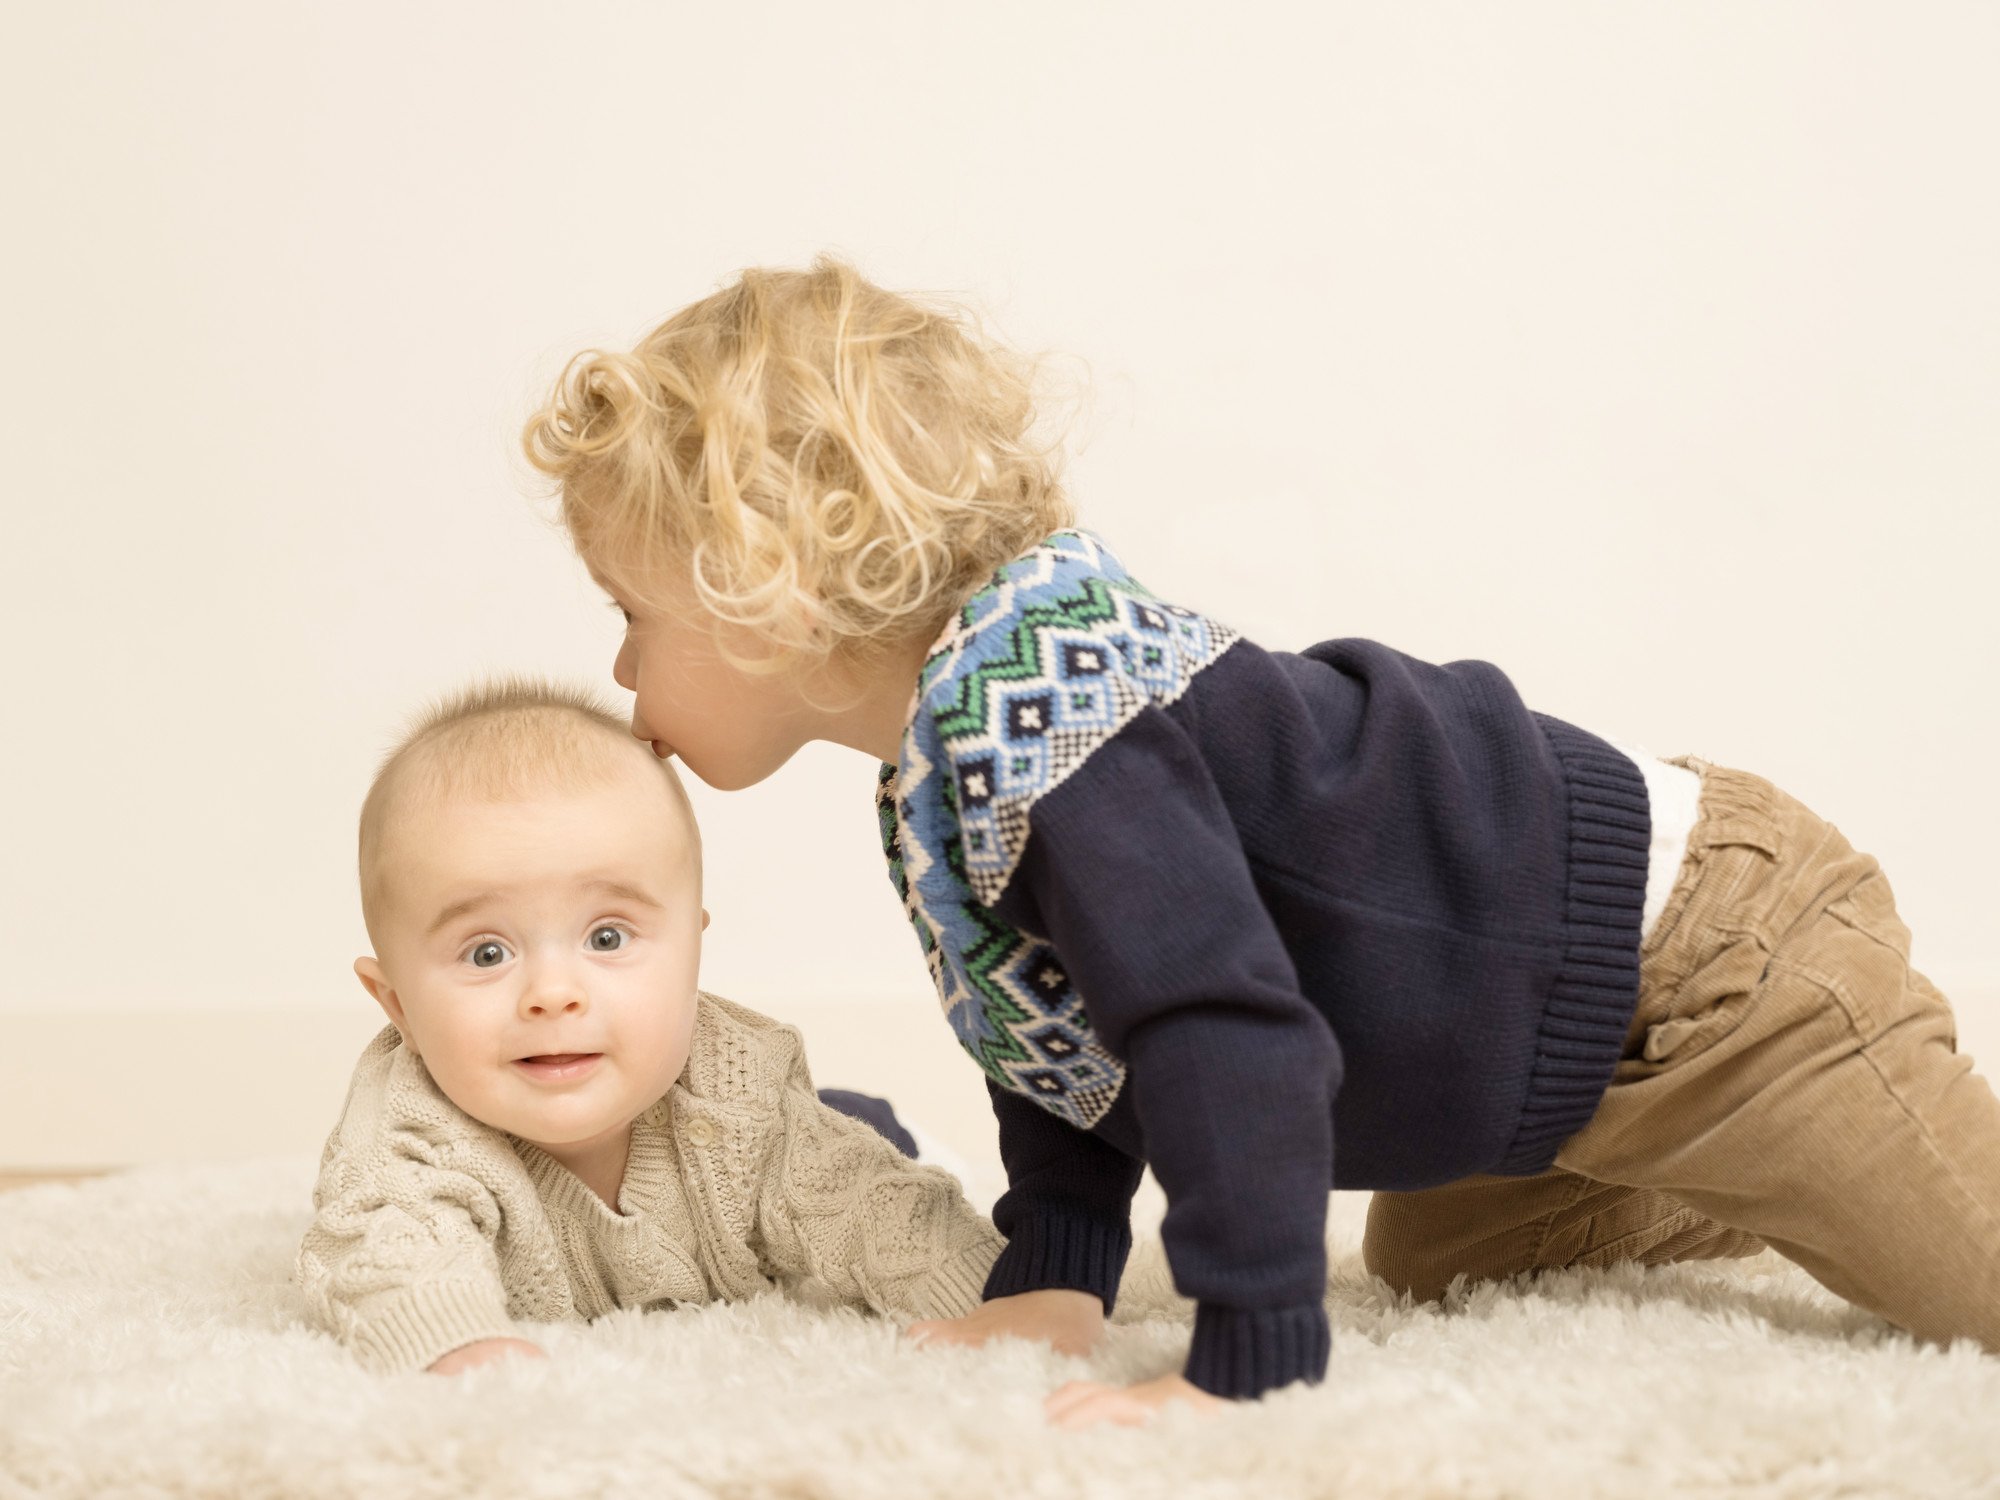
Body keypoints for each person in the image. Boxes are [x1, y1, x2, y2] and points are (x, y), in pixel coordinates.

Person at [518, 254, 2000, 1429]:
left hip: (1713, 971)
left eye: (633, 615)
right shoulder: (955, 753)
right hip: (1540, 1063)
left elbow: (1224, 1034)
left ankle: (1813, 1140)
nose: (624, 669)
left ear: (769, 595)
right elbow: (1063, 1045)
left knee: (1975, 1279)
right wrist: (1057, 1278)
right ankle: (1742, 1179)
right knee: (1434, 1257)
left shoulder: (1065, 731)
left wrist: (1248, 1353)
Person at [295, 675, 1001, 1375]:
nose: (552, 994)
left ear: (692, 953)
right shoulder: (407, 1137)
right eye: (487, 953)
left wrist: (995, 1298)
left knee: (855, 1145)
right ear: (397, 1006)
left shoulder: (745, 1097)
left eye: (606, 938)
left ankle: (884, 1121)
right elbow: (385, 1252)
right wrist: (457, 1344)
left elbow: (876, 1211)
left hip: (781, 1134)